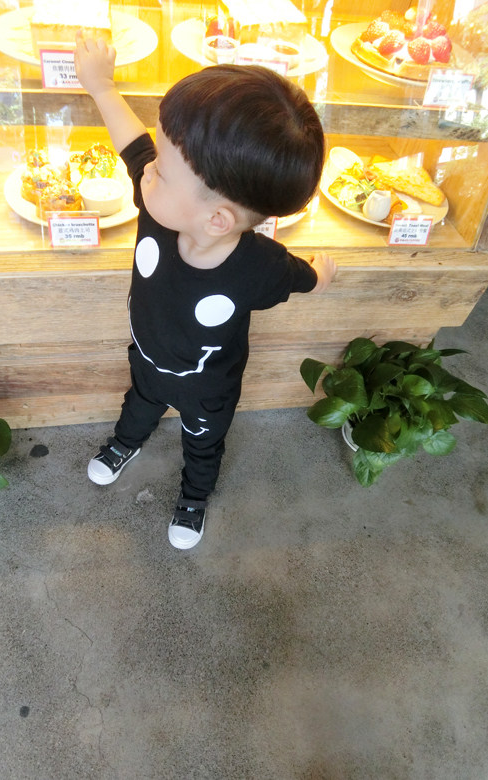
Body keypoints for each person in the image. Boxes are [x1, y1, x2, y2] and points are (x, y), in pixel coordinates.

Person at [74, 33, 337, 550]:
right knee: (139, 404)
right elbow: (133, 145)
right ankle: (125, 443)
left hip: (208, 386)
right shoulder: (163, 203)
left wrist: (320, 276)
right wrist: (101, 86)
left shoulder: (258, 267)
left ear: (217, 219)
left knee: (204, 441)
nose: (147, 170)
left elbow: (298, 277)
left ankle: (194, 496)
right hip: (148, 357)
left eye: (161, 170)